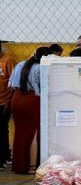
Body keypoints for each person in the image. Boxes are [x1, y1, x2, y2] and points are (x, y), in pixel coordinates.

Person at [10, 46, 49, 174]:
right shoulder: (41, 68)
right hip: (31, 100)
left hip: (16, 99)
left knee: (20, 133)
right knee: (33, 133)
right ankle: (32, 167)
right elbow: (45, 87)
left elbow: (11, 84)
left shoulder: (20, 64)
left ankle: (19, 165)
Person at [0, 42, 16, 170]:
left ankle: (4, 157)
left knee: (2, 129)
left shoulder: (8, 61)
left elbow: (14, 83)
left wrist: (9, 102)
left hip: (3, 102)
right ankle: (6, 156)